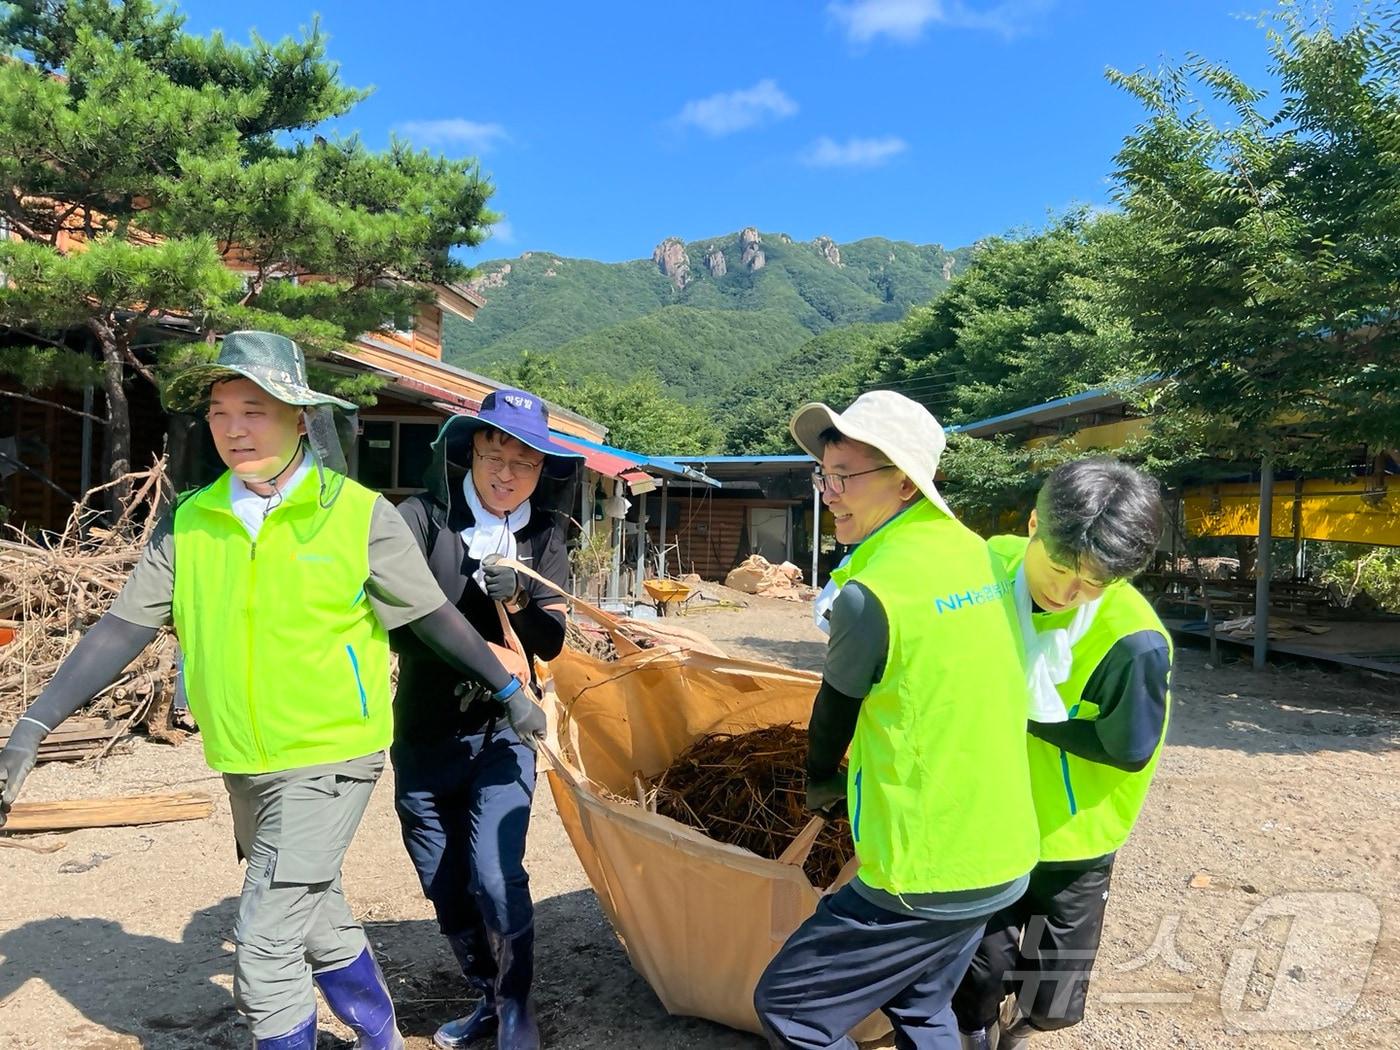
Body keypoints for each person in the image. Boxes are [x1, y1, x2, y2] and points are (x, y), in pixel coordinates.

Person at [0, 332, 539, 1050]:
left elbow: (435, 618)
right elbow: (119, 630)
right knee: (313, 916)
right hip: (243, 758)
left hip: (330, 754)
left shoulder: (356, 515)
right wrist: (32, 726)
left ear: (300, 419)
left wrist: (508, 687)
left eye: (255, 409)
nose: (235, 428)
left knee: (263, 945)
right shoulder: (192, 521)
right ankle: (380, 1036)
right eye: (221, 412)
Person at [752, 390, 1041, 1050]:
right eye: (824, 475)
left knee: (789, 1006)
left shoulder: (872, 591)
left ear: (907, 482)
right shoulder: (984, 556)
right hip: (1001, 852)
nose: (830, 492)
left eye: (845, 477)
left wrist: (819, 777)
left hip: (923, 870)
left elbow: (833, 713)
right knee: (919, 1004)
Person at [952, 457, 1172, 1050]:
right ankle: (974, 1029)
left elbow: (1129, 750)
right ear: (1031, 525)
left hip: (1073, 836)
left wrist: (1031, 717)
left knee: (1053, 984)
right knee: (979, 961)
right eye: (1057, 567)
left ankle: (1027, 1025)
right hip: (986, 822)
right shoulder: (980, 569)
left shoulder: (1133, 641)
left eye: (1095, 582)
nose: (1067, 592)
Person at [388, 389, 582, 1050]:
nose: (507, 473)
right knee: (443, 881)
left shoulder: (543, 534)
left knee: (497, 872)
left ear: (540, 471)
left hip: (507, 735)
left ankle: (517, 1006)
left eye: (524, 462)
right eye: (495, 453)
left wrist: (524, 597)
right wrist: (489, 666)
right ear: (471, 451)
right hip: (422, 732)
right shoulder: (421, 520)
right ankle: (486, 995)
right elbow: (398, 626)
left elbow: (551, 642)